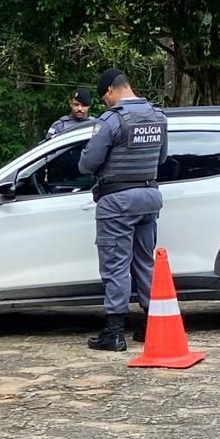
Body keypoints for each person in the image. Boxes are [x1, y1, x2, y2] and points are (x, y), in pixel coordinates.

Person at [78, 67, 167, 351]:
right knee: (144, 263)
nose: (106, 102)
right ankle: (152, 326)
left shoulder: (111, 121)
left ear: (110, 90)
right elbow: (162, 158)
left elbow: (88, 164)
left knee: (116, 266)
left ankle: (114, 333)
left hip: (117, 200)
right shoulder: (158, 116)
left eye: (104, 97)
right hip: (149, 196)